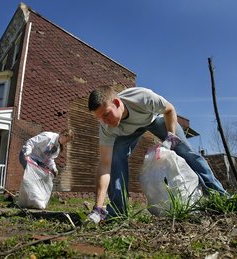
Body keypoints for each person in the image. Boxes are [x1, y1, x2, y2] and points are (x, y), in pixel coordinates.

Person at [87, 86, 228, 223]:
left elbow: (170, 109)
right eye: (100, 118)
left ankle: (220, 196)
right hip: (127, 133)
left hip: (155, 119)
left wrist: (171, 138)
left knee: (185, 150)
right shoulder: (106, 127)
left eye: (106, 114)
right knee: (115, 159)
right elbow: (105, 166)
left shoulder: (142, 97)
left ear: (117, 103)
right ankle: (118, 211)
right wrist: (98, 206)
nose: (104, 121)